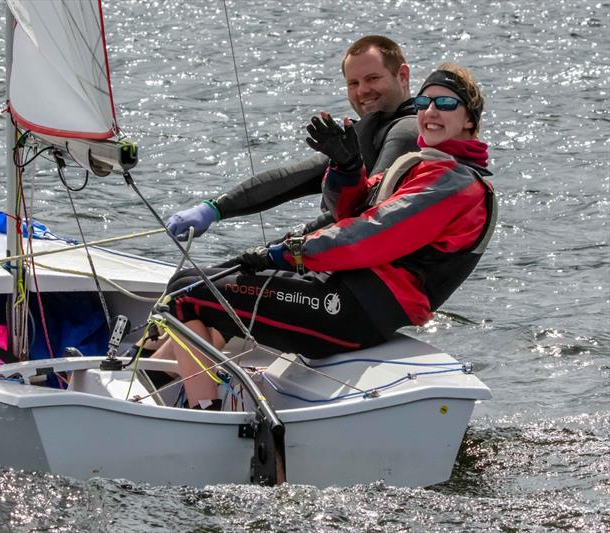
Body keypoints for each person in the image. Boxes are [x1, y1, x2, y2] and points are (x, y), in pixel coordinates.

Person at [153, 63, 497, 410]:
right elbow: (349, 212)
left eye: (446, 104)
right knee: (200, 290)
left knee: (188, 292)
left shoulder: (456, 185)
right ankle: (154, 393)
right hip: (341, 294)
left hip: (354, 311)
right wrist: (346, 169)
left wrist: (290, 253)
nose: (431, 112)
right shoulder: (423, 165)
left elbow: (370, 235)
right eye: (424, 102)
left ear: (469, 119)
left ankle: (204, 419)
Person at [165, 35, 419, 241]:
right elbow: (293, 178)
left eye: (372, 78)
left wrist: (289, 244)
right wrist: (214, 209)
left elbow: (369, 212)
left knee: (187, 289)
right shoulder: (365, 132)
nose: (362, 90)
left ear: (403, 75)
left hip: (364, 273)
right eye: (353, 83)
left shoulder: (407, 132)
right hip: (334, 255)